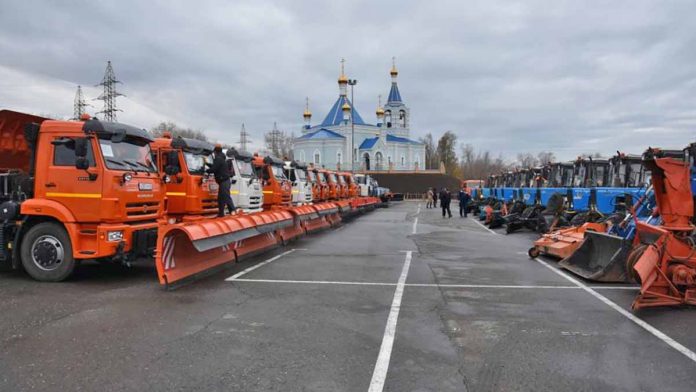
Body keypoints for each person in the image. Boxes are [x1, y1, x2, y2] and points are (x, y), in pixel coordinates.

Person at [206, 144, 236, 217]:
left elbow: (214, 169)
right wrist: (207, 164)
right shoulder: (221, 158)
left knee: (226, 196)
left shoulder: (218, 159)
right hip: (225, 181)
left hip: (224, 181)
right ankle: (221, 213)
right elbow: (216, 167)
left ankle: (232, 210)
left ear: (215, 152)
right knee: (220, 198)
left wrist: (206, 170)